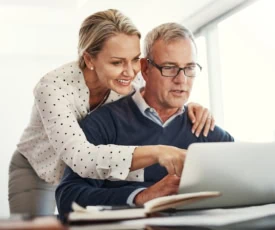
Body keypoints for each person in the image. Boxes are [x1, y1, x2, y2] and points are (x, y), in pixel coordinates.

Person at [8, 9, 215, 216]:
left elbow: (163, 89)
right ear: (89, 59)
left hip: (93, 171)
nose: (130, 71)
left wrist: (189, 107)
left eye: (134, 59)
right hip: (41, 169)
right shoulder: (53, 88)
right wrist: (158, 151)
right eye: (117, 62)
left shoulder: (132, 77)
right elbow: (81, 159)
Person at [55, 22, 234, 216]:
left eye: (189, 68)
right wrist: (141, 197)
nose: (181, 80)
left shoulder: (208, 131)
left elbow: (245, 185)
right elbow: (67, 198)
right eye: (169, 67)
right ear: (145, 69)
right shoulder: (102, 124)